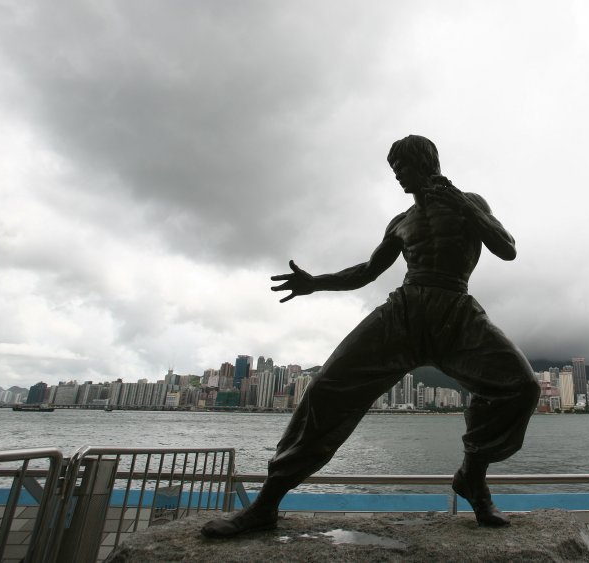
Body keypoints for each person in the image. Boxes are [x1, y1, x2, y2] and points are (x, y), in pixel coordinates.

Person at [201, 135, 540, 538]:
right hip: (403, 312)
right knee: (326, 388)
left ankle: (472, 477)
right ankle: (266, 504)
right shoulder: (400, 222)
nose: (397, 175)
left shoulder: (469, 203)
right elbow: (366, 271)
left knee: (521, 387)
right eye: (393, 168)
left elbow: (508, 249)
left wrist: (460, 201)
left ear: (427, 164)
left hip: (455, 310)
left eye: (403, 166)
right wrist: (316, 282)